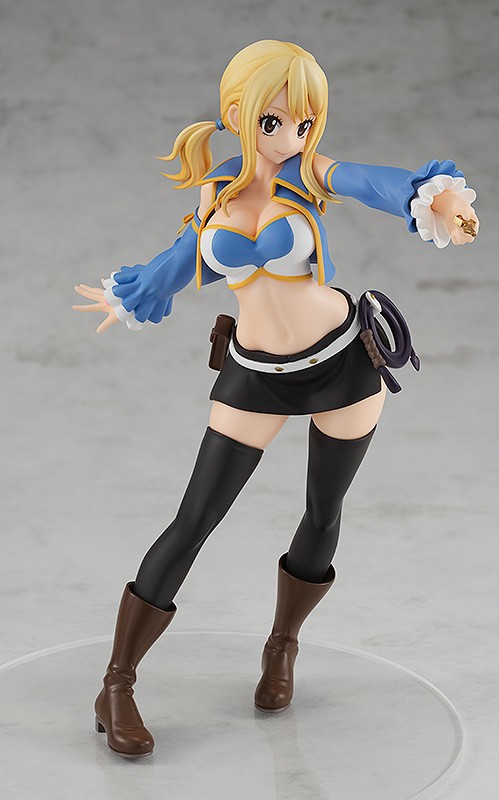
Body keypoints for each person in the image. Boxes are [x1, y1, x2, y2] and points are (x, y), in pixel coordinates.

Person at [73, 39, 478, 758]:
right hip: (255, 371)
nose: (290, 136)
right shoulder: (216, 191)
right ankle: (117, 684)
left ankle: (283, 645)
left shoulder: (309, 171)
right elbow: (183, 258)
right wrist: (132, 294)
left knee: (323, 510)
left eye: (303, 122)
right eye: (274, 121)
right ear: (238, 112)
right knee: (194, 519)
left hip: (341, 359)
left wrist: (432, 198)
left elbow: (370, 182)